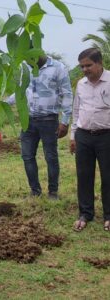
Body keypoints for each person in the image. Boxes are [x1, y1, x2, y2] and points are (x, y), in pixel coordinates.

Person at [7, 55, 73, 199]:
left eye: (30, 58)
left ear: (38, 52)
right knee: (27, 156)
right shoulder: (25, 68)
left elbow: (67, 94)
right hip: (28, 120)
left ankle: (53, 192)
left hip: (49, 120)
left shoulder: (58, 68)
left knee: (51, 156)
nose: (28, 62)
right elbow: (20, 91)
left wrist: (65, 120)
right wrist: (4, 104)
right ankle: (35, 191)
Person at [70, 48, 110, 232]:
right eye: (82, 66)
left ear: (99, 63)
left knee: (108, 176)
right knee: (84, 176)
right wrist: (73, 135)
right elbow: (76, 110)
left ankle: (109, 216)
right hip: (84, 135)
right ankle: (85, 213)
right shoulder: (81, 84)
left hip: (106, 136)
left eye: (88, 65)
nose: (85, 69)